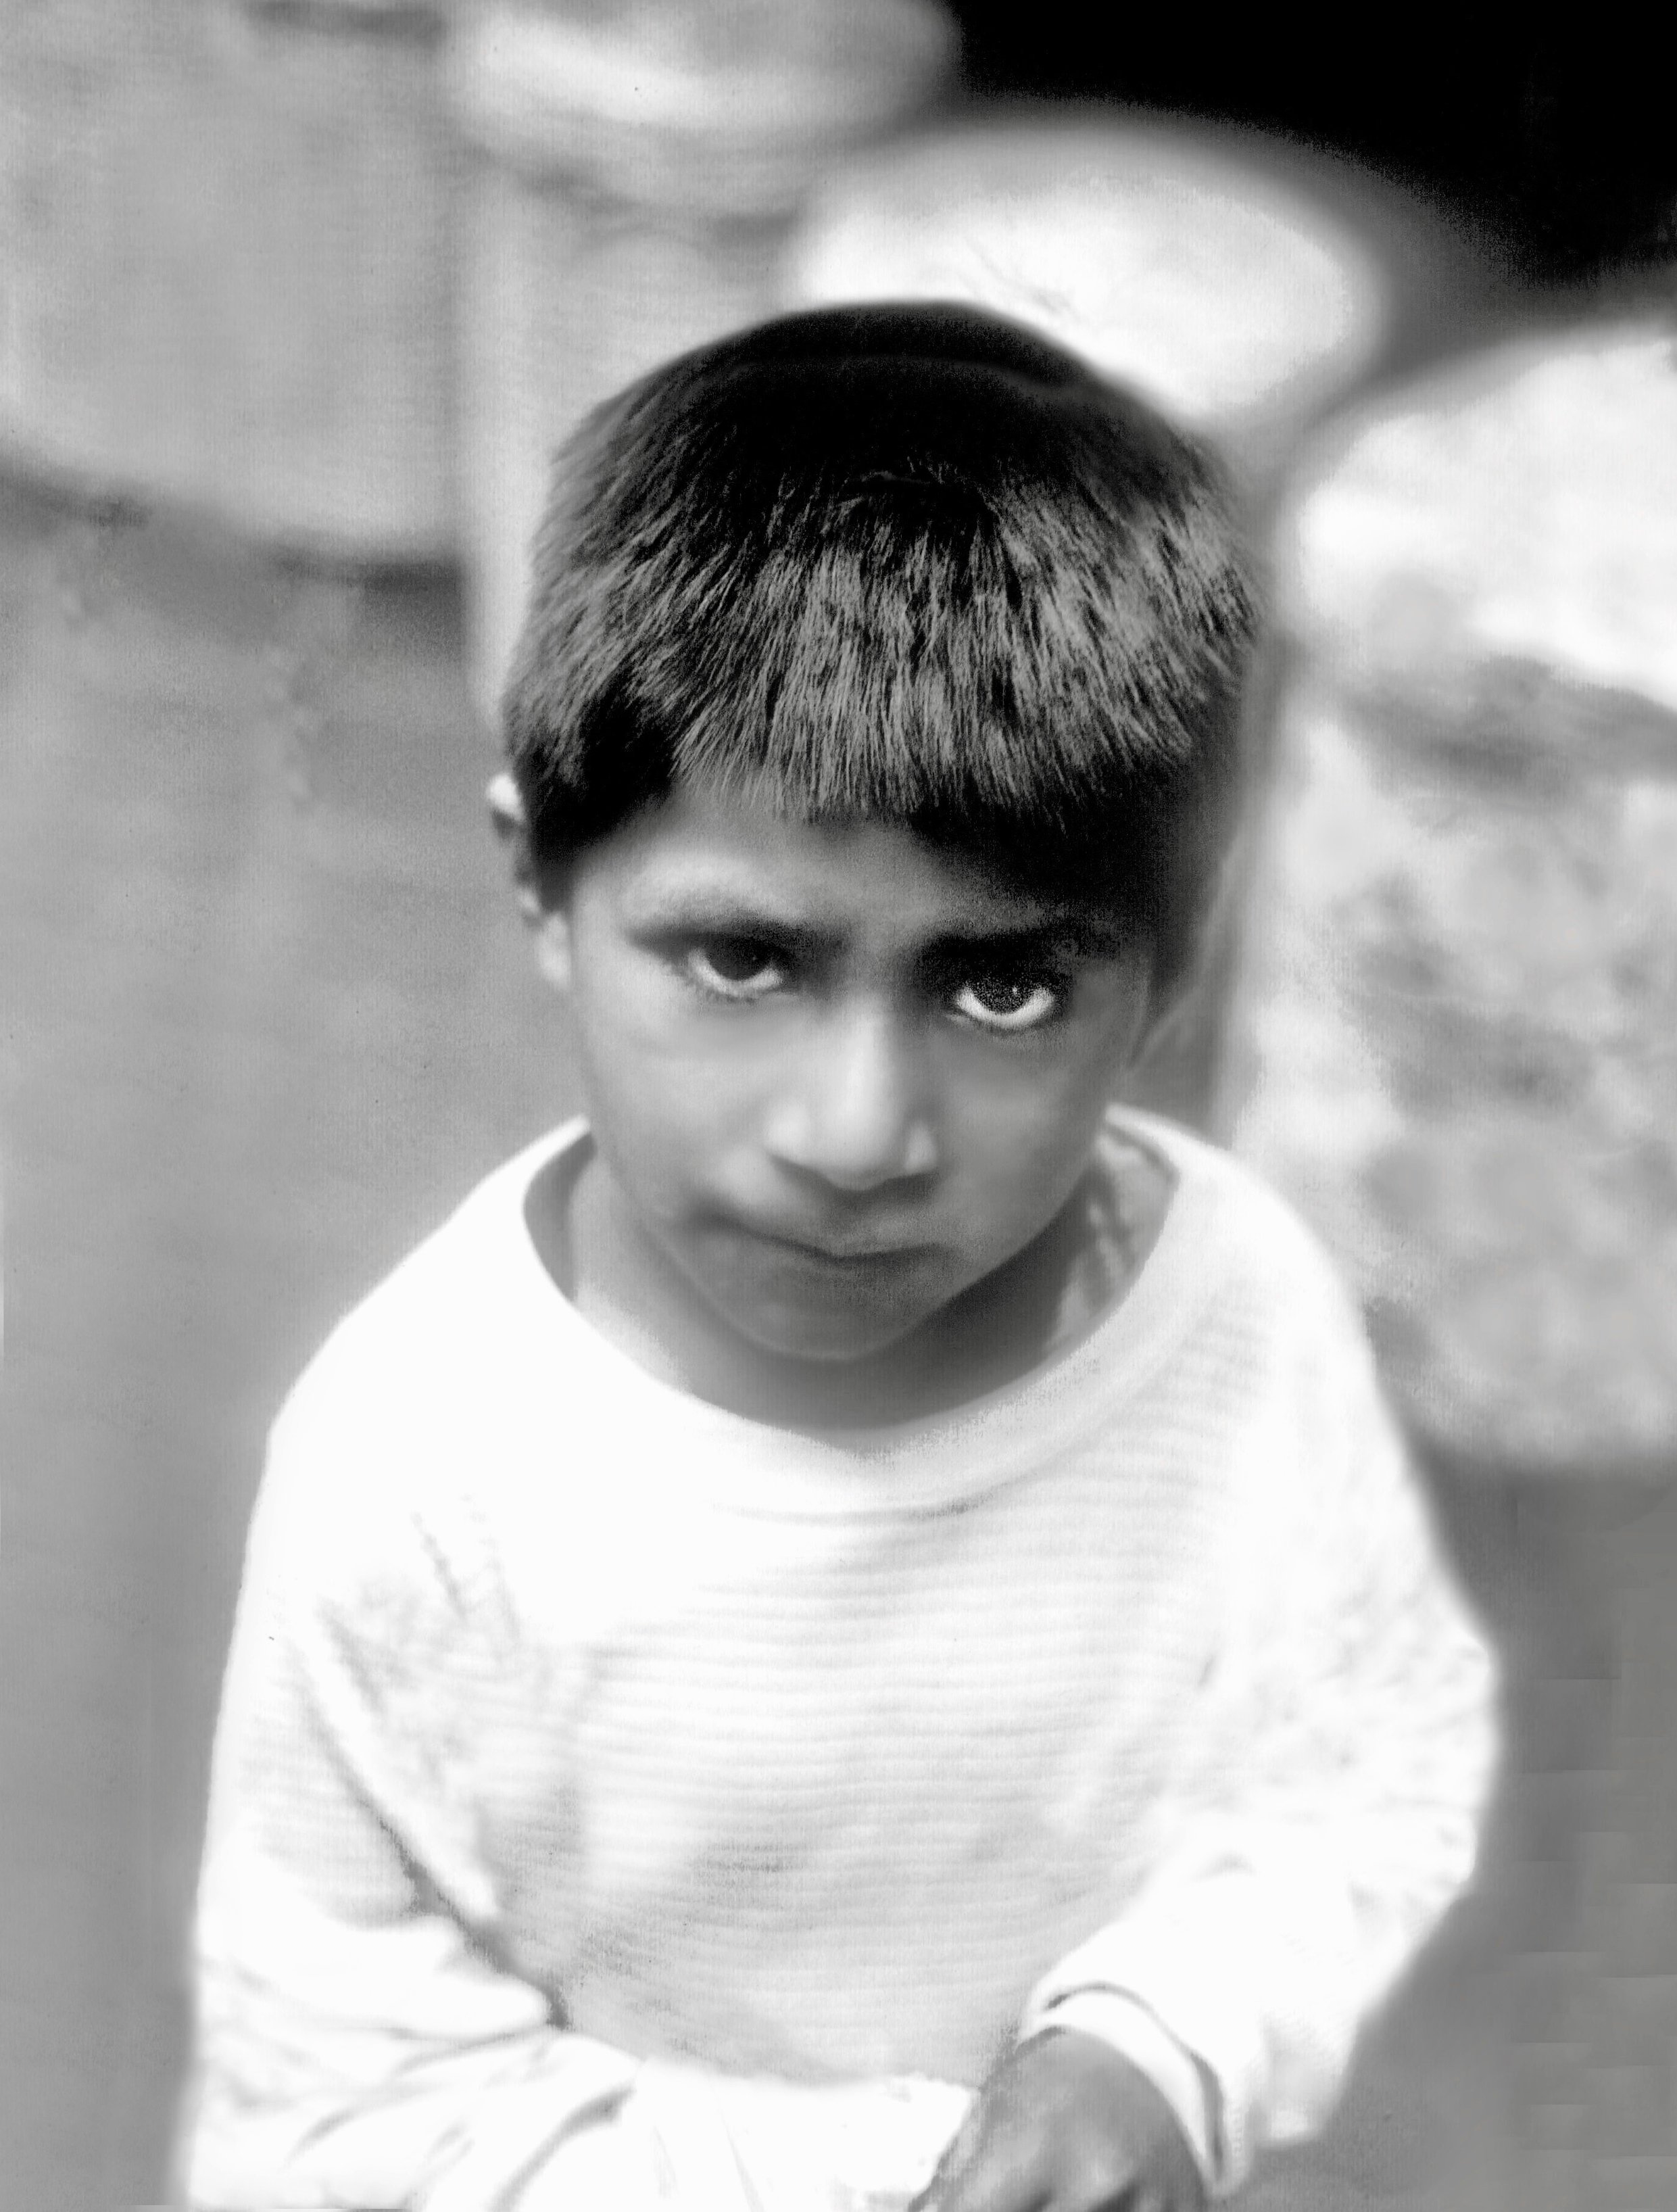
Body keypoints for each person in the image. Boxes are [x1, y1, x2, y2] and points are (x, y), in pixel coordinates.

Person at [177, 303, 1497, 2212]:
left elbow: (1364, 1764)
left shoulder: (1240, 1318)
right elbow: (335, 2132)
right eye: (744, 959)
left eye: (1001, 981)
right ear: (540, 883)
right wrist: (917, 2174)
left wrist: (1161, 2046)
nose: (857, 1133)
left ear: (1165, 982)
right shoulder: (411, 1479)